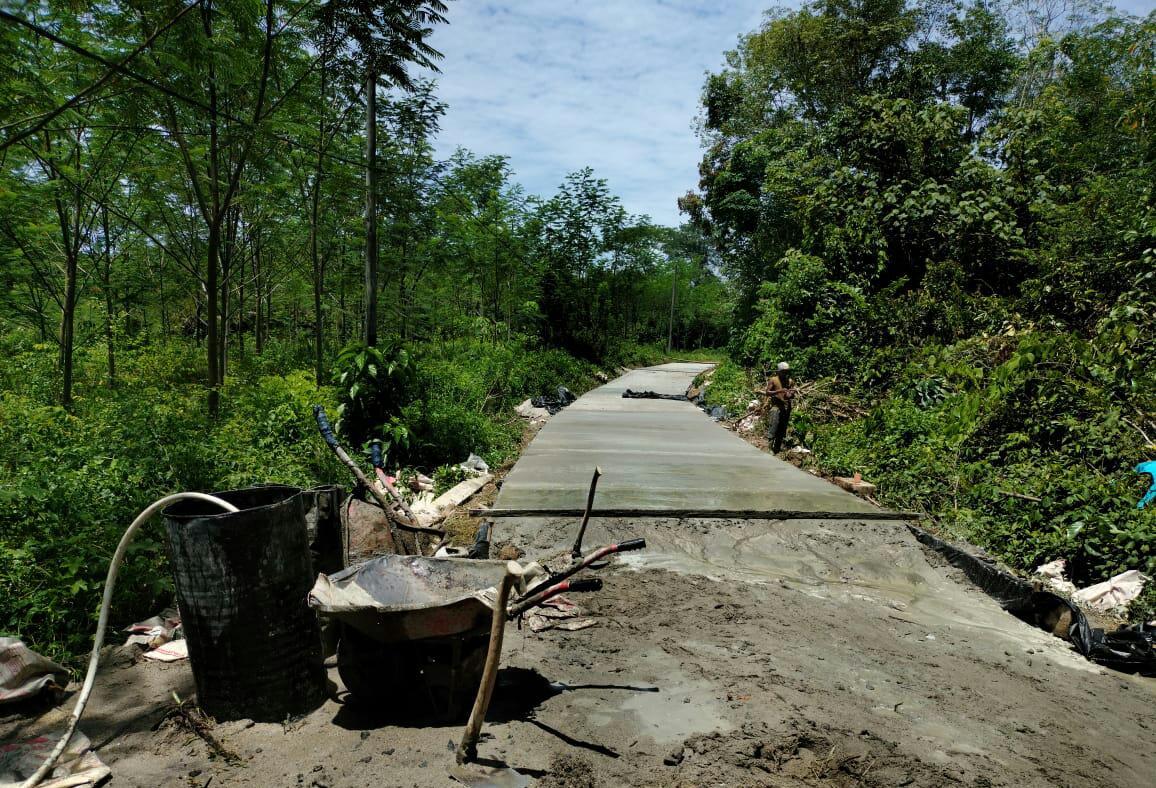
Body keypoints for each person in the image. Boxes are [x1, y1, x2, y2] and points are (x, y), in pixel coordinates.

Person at [764, 361, 794, 453]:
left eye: (787, 371)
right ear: (779, 371)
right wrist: (779, 391)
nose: (785, 373)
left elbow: (792, 393)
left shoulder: (790, 381)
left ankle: (777, 448)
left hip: (786, 407)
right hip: (776, 406)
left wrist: (790, 394)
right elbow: (767, 392)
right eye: (783, 371)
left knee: (782, 428)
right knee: (773, 426)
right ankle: (769, 447)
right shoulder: (773, 380)